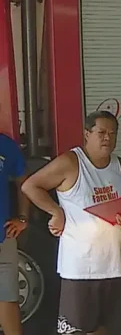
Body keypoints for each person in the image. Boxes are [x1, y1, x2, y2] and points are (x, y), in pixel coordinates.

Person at [21, 111, 121, 335]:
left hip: (114, 262)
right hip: (81, 266)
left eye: (112, 133)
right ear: (87, 134)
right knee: (76, 329)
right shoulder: (71, 162)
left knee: (107, 327)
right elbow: (30, 186)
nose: (107, 138)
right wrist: (55, 211)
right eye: (101, 132)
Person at [0, 133, 29, 335]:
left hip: (4, 237)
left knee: (8, 299)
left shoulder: (4, 144)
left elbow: (23, 182)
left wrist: (23, 218)